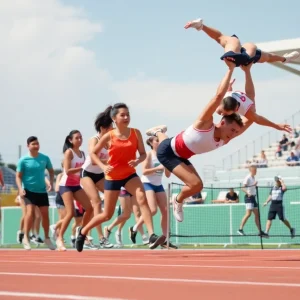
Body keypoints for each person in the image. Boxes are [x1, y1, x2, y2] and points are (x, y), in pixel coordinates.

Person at [146, 60, 243, 223]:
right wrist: (230, 71)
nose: (233, 135)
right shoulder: (205, 123)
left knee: (198, 186)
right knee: (195, 183)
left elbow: (251, 119)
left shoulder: (225, 139)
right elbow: (218, 97)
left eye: (236, 132)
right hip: (168, 152)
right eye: (233, 130)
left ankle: (159, 132)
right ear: (223, 122)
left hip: (181, 153)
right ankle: (177, 200)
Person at [75, 103, 165, 252]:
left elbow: (143, 154)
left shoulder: (136, 133)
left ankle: (151, 236)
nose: (126, 117)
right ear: (114, 118)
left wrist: (137, 160)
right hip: (112, 177)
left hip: (129, 174)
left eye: (128, 114)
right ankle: (83, 231)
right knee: (106, 215)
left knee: (142, 198)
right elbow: (93, 154)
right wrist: (103, 167)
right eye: (122, 115)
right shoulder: (108, 136)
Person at [184, 17, 300, 66]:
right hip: (239, 57)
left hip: (240, 58)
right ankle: (285, 59)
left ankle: (285, 59)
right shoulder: (239, 47)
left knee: (221, 38)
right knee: (224, 38)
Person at [215, 63, 291, 134]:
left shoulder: (245, 109)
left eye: (225, 112)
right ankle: (247, 70)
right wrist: (229, 87)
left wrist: (276, 126)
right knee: (217, 110)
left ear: (236, 110)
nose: (222, 114)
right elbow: (223, 92)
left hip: (245, 101)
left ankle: (247, 70)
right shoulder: (224, 97)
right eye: (223, 111)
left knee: (251, 98)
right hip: (233, 95)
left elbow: (258, 119)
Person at [130, 136, 177, 249]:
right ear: (151, 143)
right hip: (147, 183)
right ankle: (135, 227)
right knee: (153, 210)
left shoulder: (163, 156)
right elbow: (144, 171)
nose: (159, 142)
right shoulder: (148, 155)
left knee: (166, 212)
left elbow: (167, 175)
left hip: (158, 185)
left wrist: (167, 166)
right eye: (157, 140)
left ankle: (165, 239)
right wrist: (157, 168)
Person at [80, 108, 114, 248]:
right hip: (87, 174)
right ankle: (100, 237)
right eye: (111, 127)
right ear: (103, 128)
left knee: (112, 196)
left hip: (100, 175)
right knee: (96, 203)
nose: (113, 130)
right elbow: (94, 161)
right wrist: (111, 161)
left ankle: (82, 231)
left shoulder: (111, 141)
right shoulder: (93, 140)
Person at [15, 136, 56, 250]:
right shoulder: (23, 160)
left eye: (37, 143)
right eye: (33, 144)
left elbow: (51, 171)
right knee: (30, 213)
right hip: (28, 191)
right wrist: (20, 188)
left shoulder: (44, 158)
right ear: (28, 146)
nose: (36, 146)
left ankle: (47, 238)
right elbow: (18, 177)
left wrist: (50, 183)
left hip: (42, 191)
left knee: (45, 215)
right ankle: (26, 238)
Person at [55, 130, 93, 251]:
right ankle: (59, 238)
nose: (80, 140)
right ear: (70, 140)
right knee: (70, 213)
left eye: (81, 137)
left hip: (76, 185)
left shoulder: (82, 153)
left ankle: (82, 232)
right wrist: (82, 167)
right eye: (77, 138)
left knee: (90, 208)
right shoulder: (69, 152)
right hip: (65, 185)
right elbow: (67, 171)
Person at [237, 165, 266, 236]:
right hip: (248, 198)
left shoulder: (253, 177)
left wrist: (254, 185)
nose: (256, 171)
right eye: (255, 170)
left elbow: (252, 187)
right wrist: (248, 193)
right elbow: (242, 187)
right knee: (248, 214)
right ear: (251, 170)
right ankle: (240, 229)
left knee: (257, 214)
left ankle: (260, 231)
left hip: (253, 198)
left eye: (256, 170)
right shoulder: (248, 177)